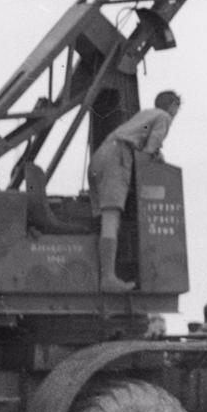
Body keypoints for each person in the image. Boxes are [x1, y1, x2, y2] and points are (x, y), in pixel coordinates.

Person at [84, 90, 180, 291]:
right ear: (172, 106)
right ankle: (108, 278)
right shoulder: (163, 117)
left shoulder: (145, 114)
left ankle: (105, 275)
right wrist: (157, 158)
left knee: (103, 218)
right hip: (117, 157)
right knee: (111, 218)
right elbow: (149, 150)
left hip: (100, 156)